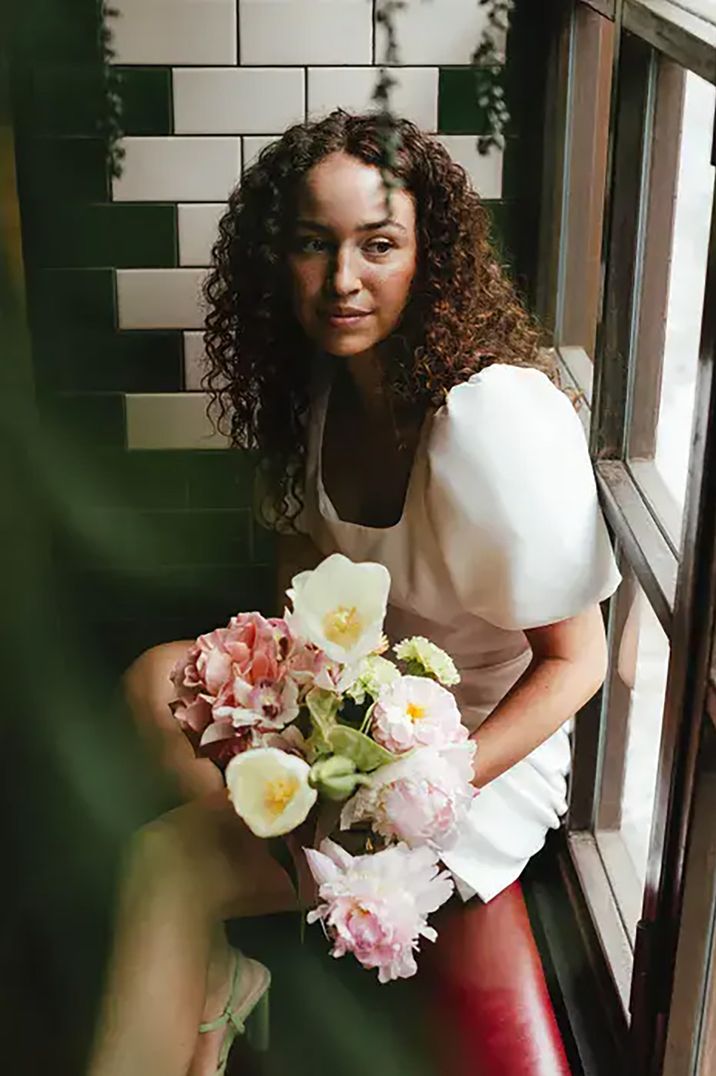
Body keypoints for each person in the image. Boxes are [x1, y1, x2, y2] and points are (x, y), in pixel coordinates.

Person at [88, 109, 620, 1076]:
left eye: (379, 245)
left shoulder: (489, 417)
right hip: (364, 711)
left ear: (431, 254)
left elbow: (579, 662)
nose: (341, 282)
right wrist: (287, 717)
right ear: (275, 255)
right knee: (149, 680)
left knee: (164, 864)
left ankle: (206, 972)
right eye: (312, 244)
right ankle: (222, 975)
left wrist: (426, 784)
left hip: (476, 761)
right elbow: (305, 606)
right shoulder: (321, 389)